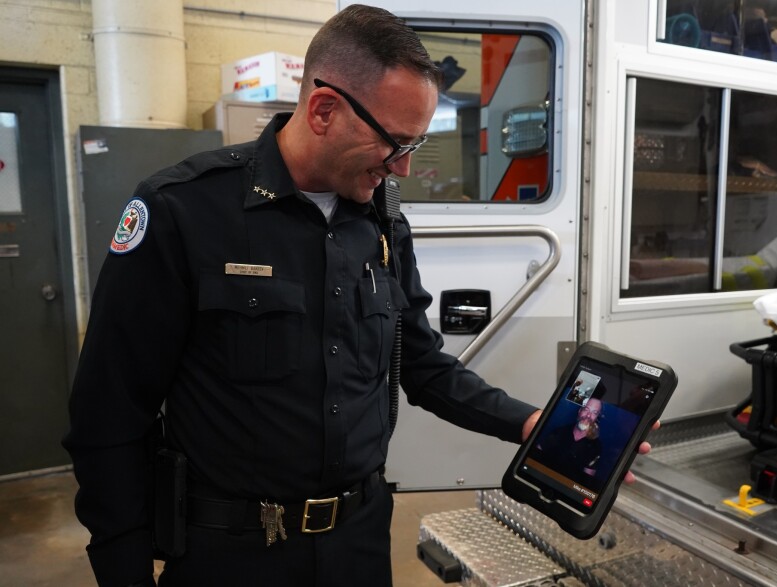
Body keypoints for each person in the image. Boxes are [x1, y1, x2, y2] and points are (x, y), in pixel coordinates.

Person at [62, 5, 651, 586]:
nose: (404, 169)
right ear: (323, 109)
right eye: (395, 143)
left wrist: (530, 423)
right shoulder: (182, 211)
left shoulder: (383, 223)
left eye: (415, 146)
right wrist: (125, 570)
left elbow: (421, 364)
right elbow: (109, 416)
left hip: (360, 543)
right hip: (235, 554)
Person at [536, 398, 604, 478]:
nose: (588, 415)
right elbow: (536, 456)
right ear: (580, 411)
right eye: (586, 409)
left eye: (594, 413)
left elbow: (586, 480)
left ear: (597, 418)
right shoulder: (559, 432)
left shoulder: (596, 447)